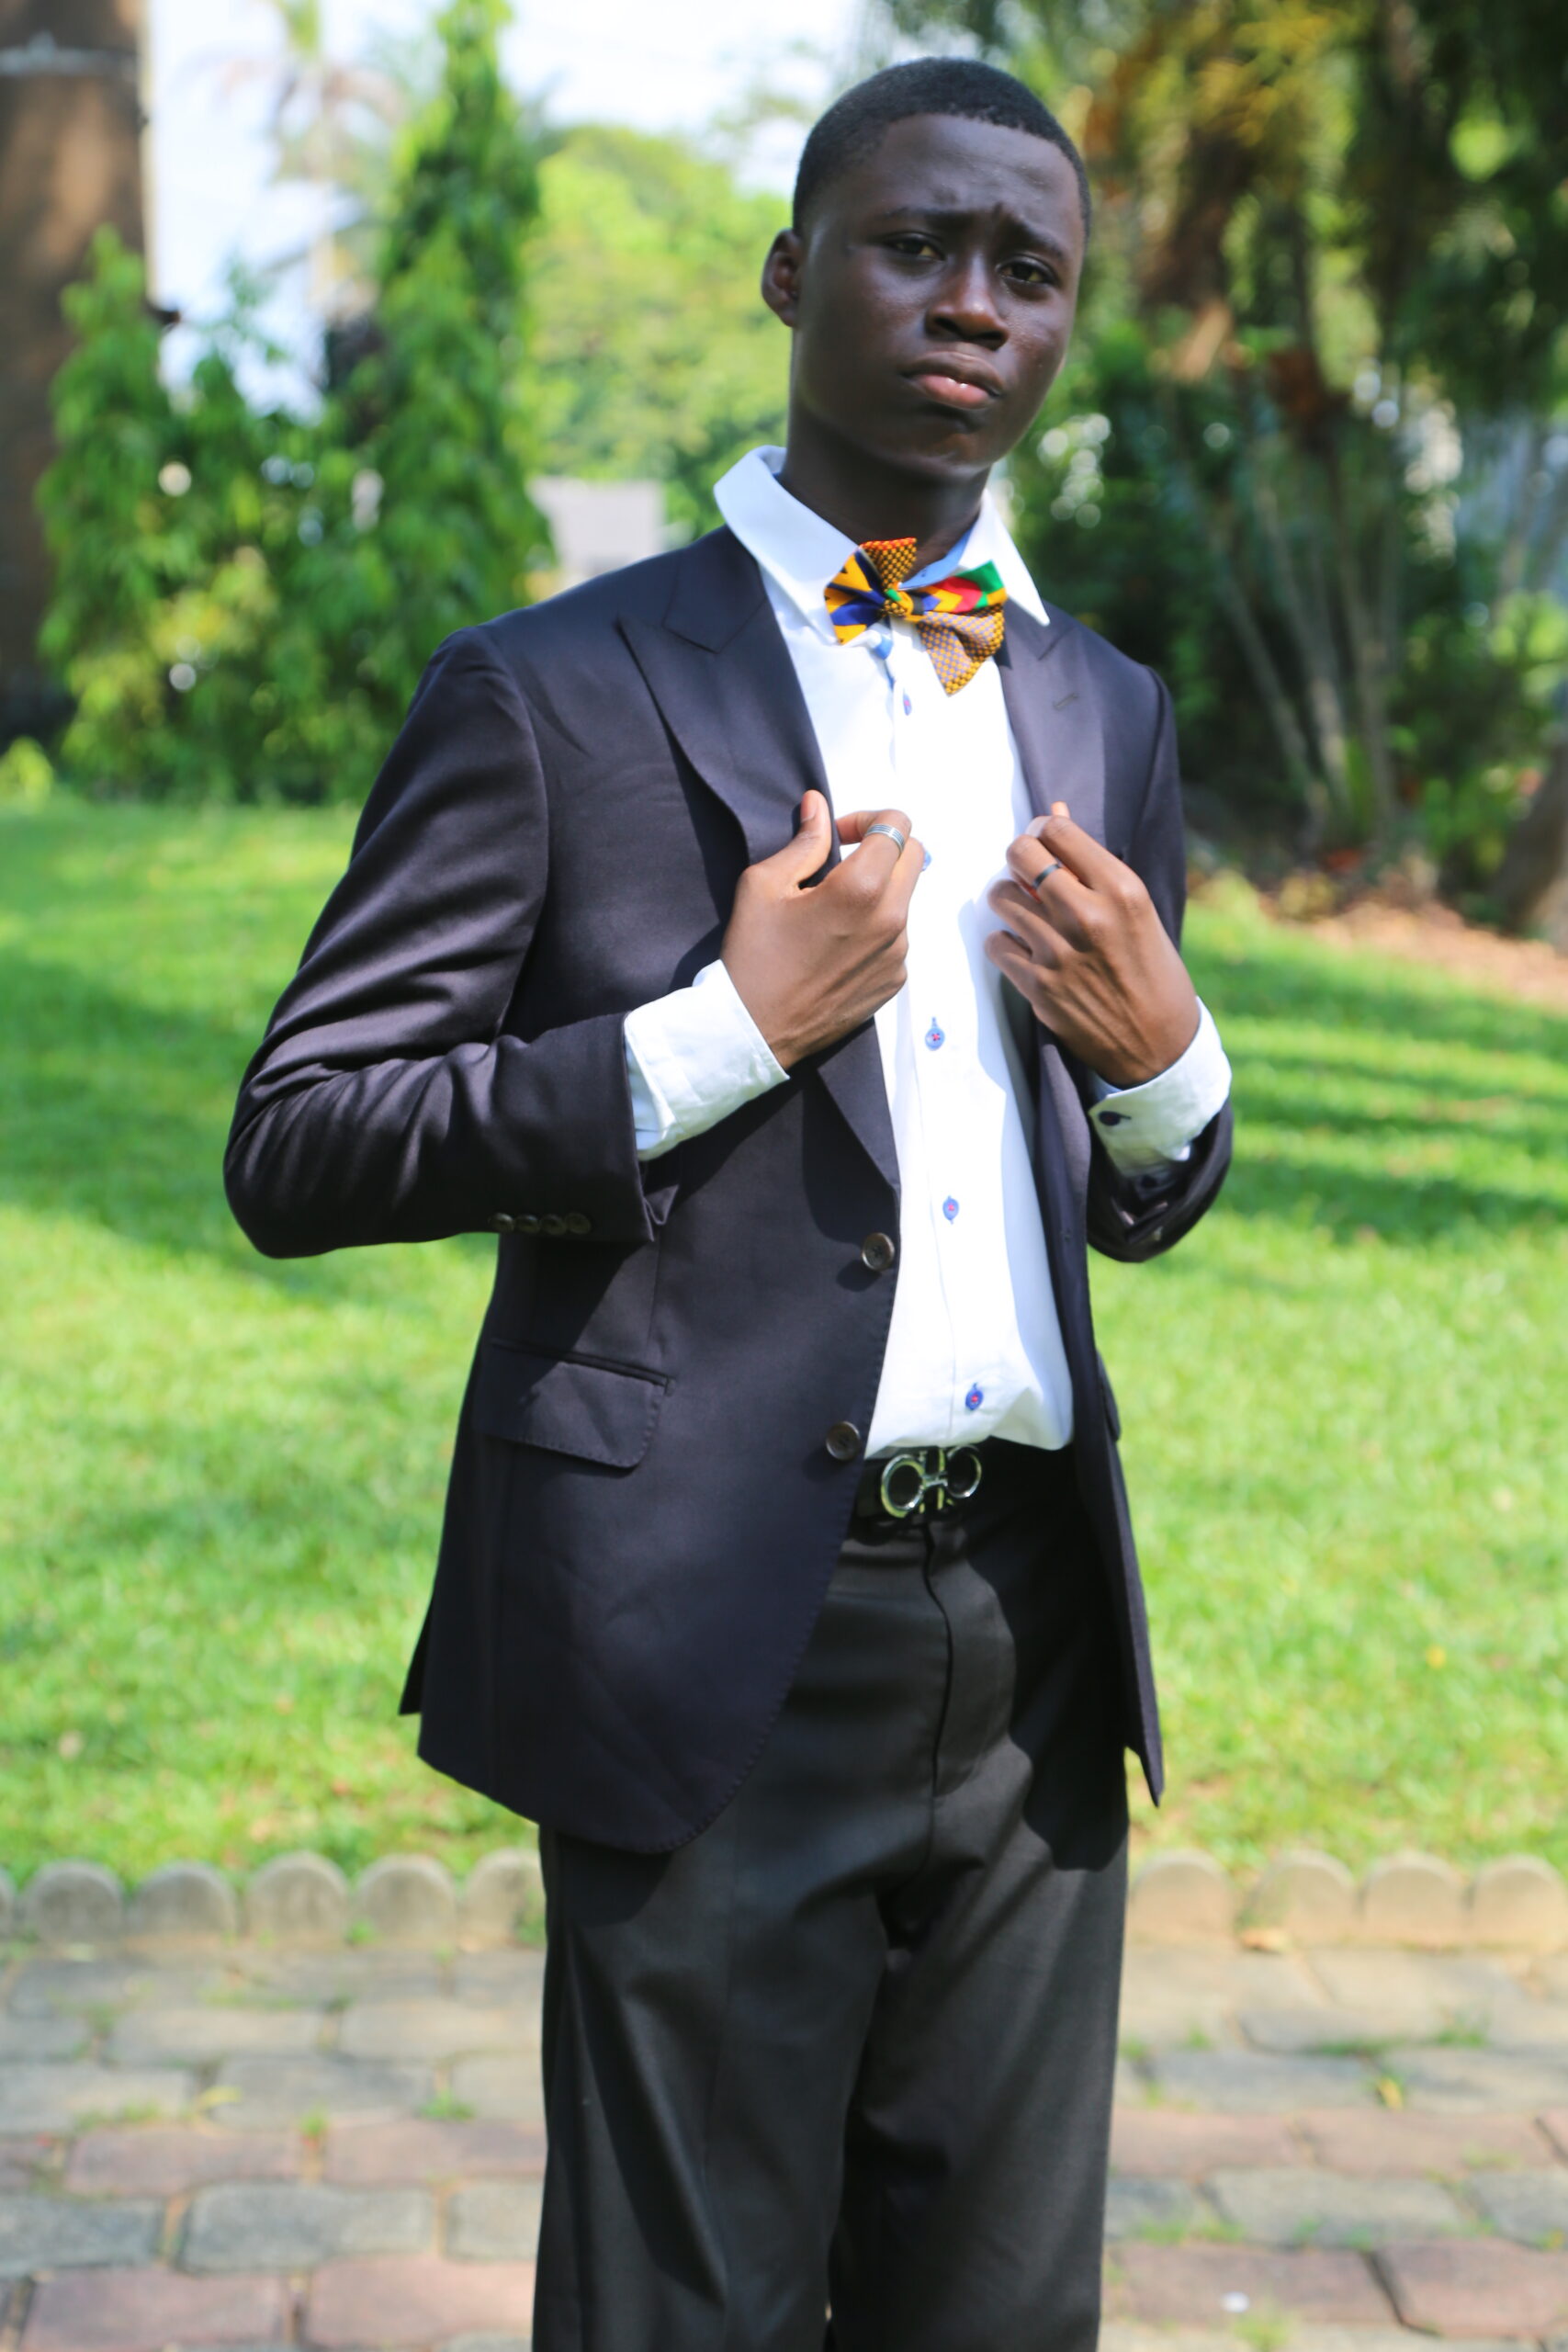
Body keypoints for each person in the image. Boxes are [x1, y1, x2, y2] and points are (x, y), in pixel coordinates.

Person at [227, 55, 1233, 2351]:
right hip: (701, 1637)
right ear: (789, 272)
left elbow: (1129, 1191)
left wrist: (1171, 1064)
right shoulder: (553, 688)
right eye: (913, 245)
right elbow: (298, 1137)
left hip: (1029, 1638)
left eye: (1025, 269)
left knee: (1001, 2313)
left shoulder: (1100, 707)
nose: (969, 302)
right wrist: (712, 1035)